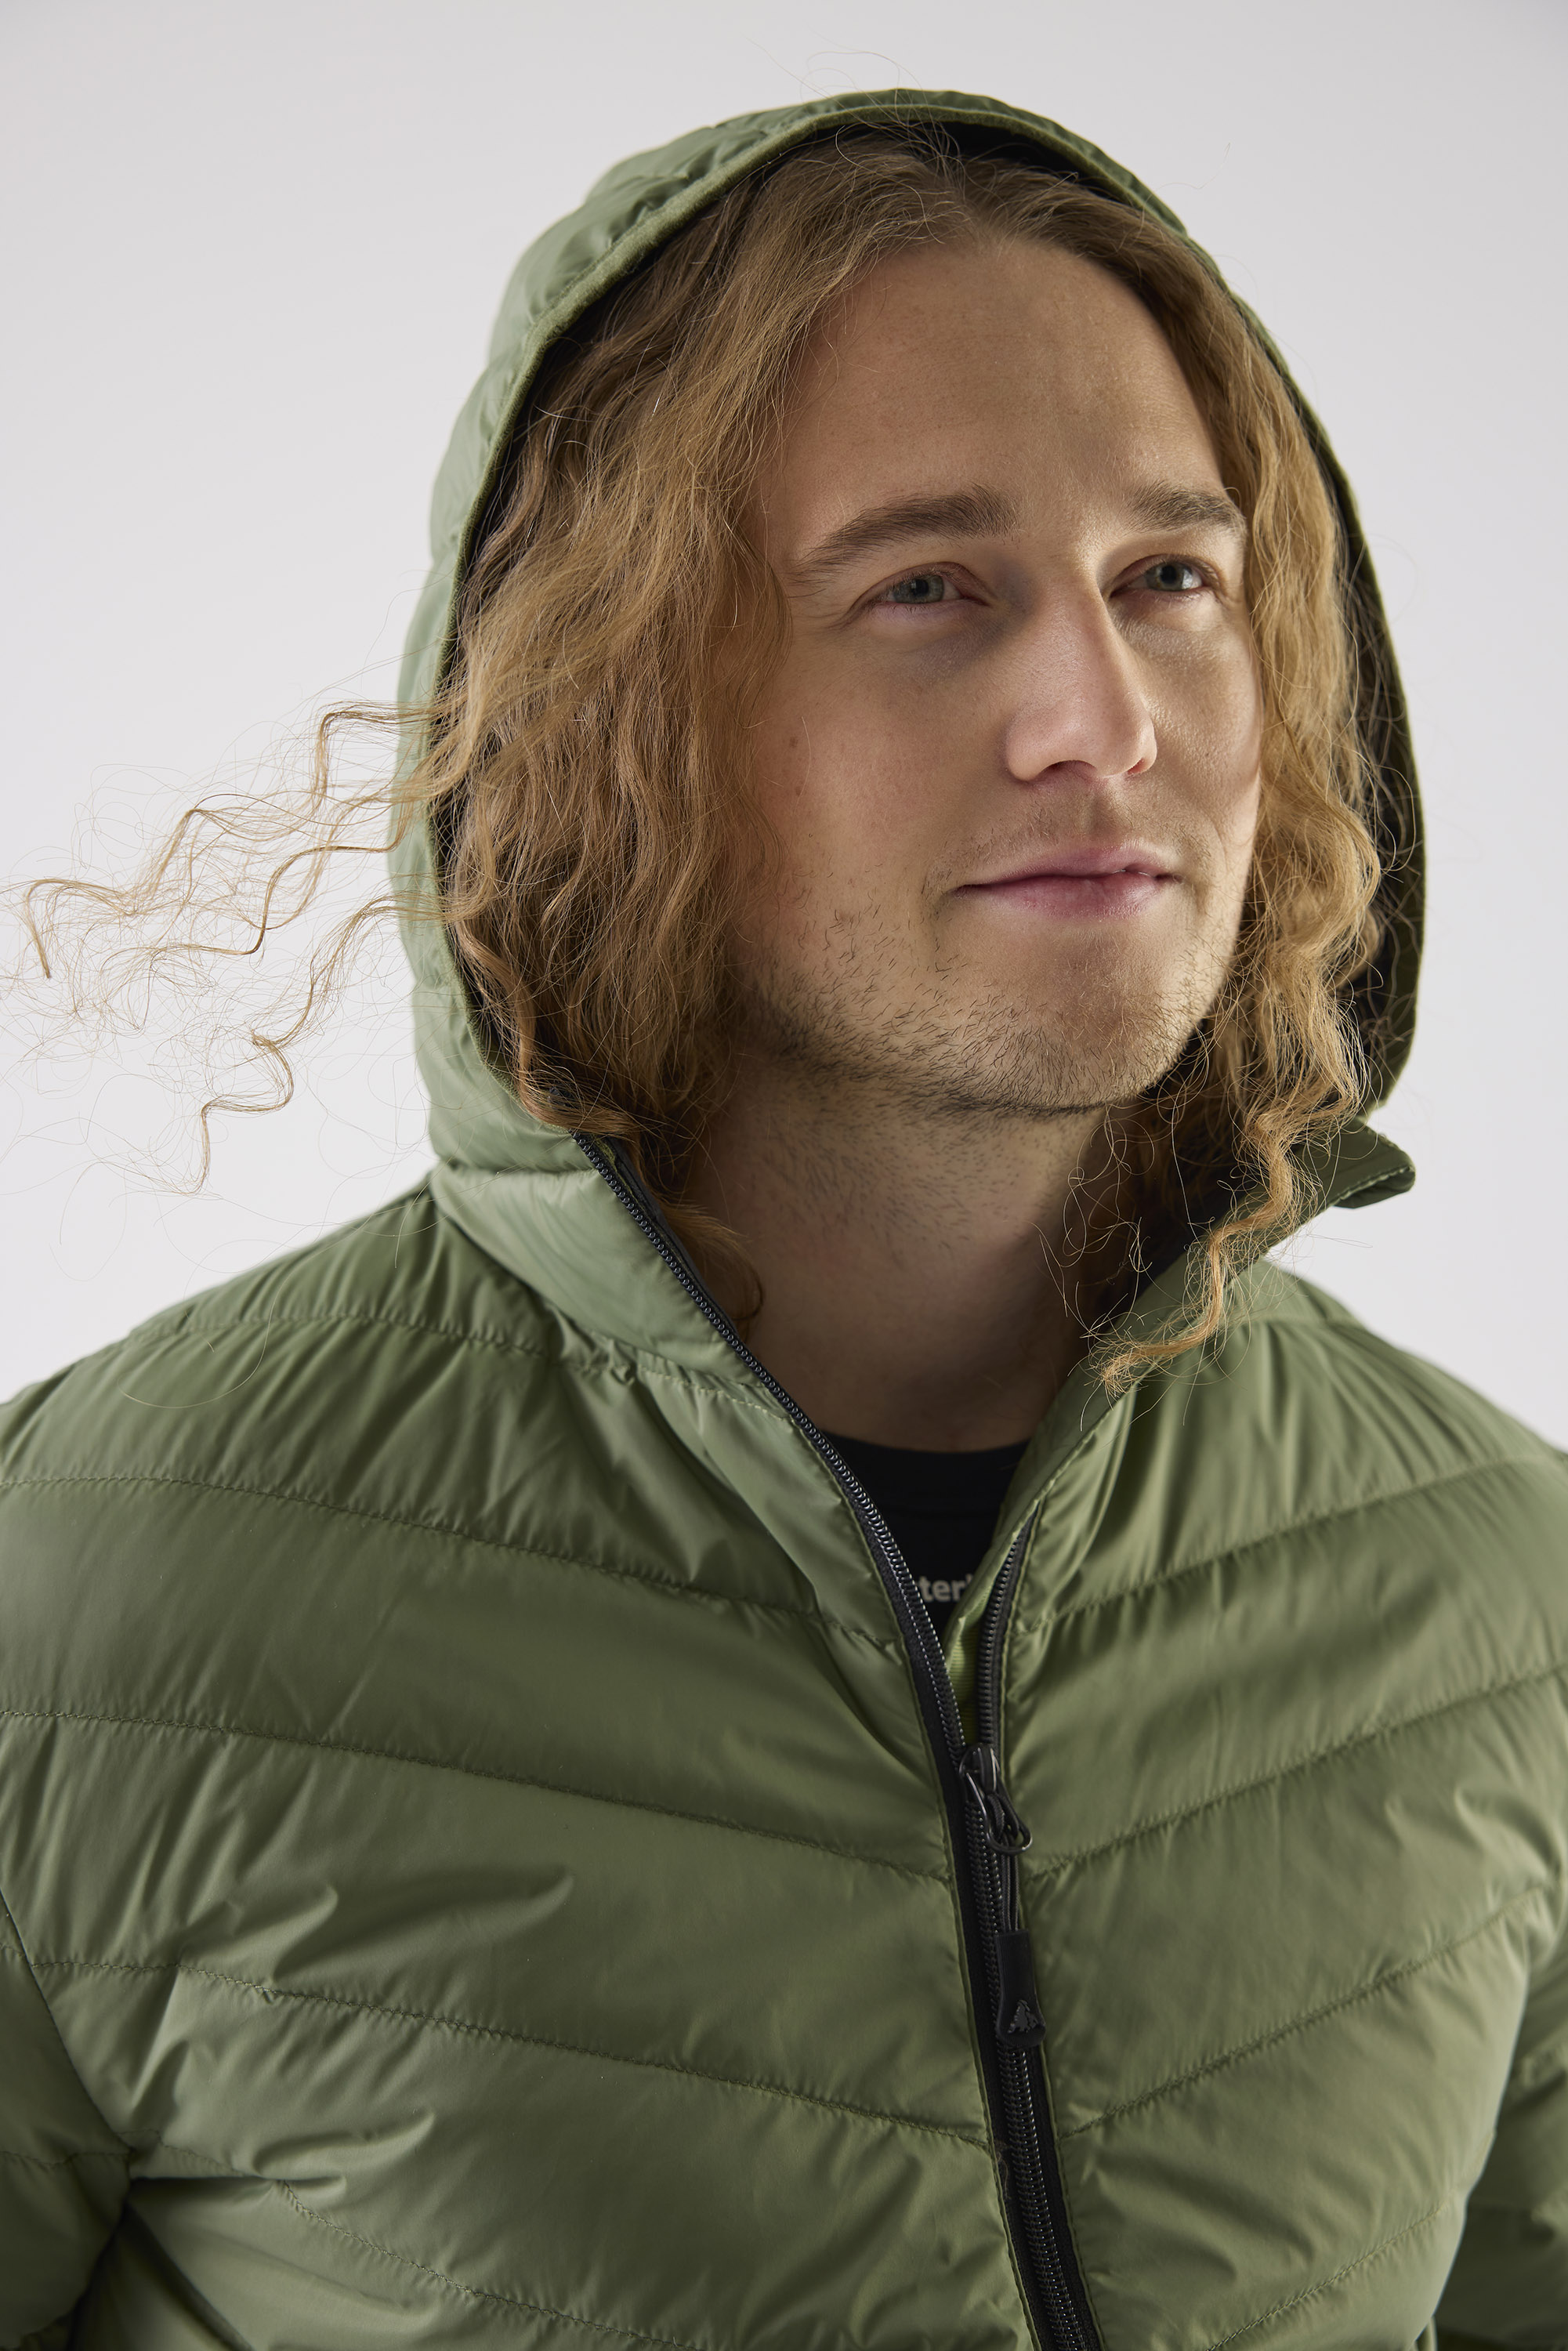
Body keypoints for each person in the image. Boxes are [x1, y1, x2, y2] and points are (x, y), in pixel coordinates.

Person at [1, 86, 1564, 2351]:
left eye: (1170, 581)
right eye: (926, 589)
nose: (1101, 719)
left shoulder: (1502, 1593)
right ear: (619, 701)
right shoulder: (82, 1607)